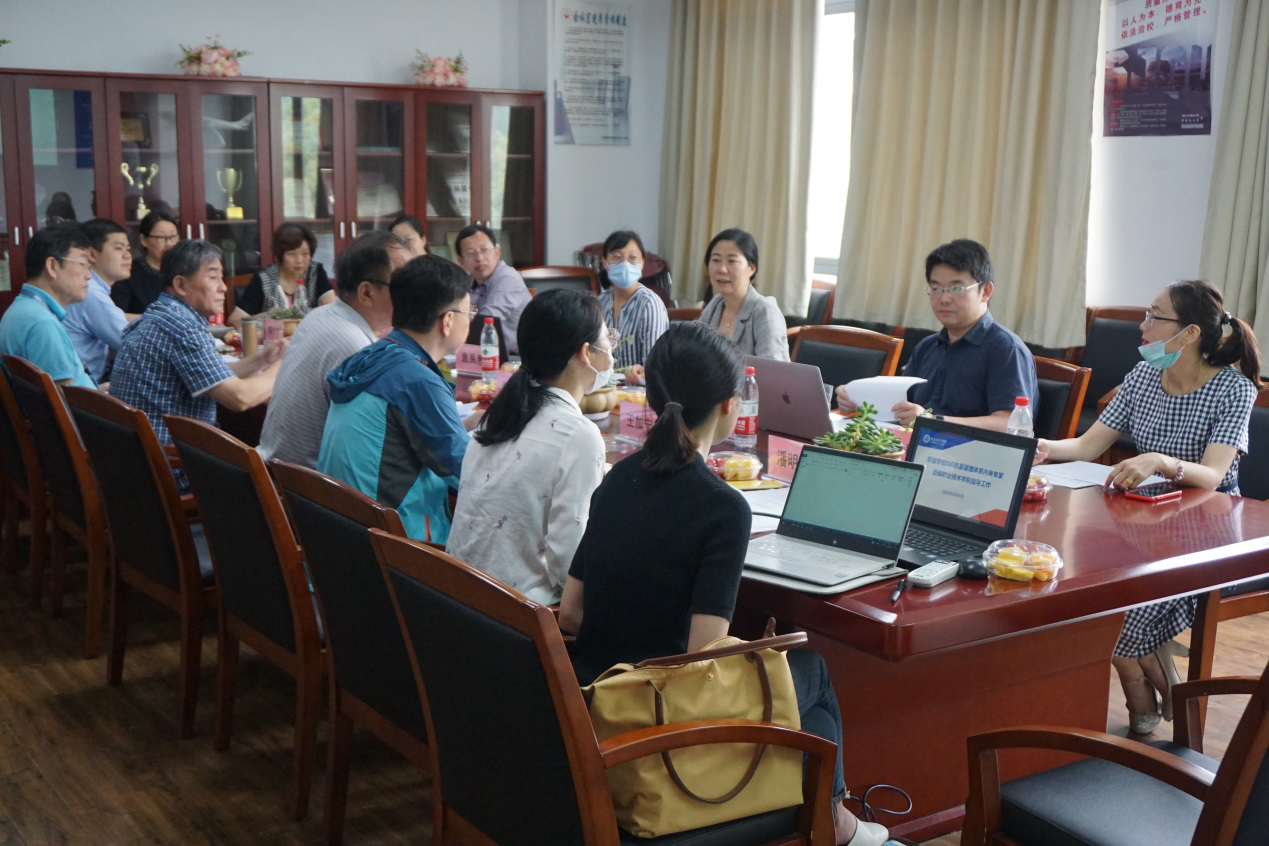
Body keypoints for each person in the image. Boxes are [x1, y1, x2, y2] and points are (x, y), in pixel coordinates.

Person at [559, 322, 891, 846]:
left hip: (598, 693)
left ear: (652, 398)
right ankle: (837, 823)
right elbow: (702, 657)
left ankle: (836, 823)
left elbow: (571, 614)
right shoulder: (722, 507)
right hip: (658, 713)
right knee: (812, 671)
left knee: (807, 700)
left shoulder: (618, 476)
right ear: (731, 406)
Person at [1036, 279, 1261, 734]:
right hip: (1142, 519)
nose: (1142, 326)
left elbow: (1213, 475)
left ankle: (1145, 695)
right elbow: (1086, 445)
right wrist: (1036, 446)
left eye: (1154, 317)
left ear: (1190, 333)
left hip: (1207, 530)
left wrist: (1161, 461)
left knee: (1116, 624)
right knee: (1089, 606)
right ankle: (1160, 687)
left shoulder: (1234, 390)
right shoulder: (1142, 377)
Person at [447, 290, 610, 604]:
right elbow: (568, 568)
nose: (611, 348)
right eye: (608, 339)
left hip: (461, 599)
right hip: (519, 614)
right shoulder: (579, 436)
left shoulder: (498, 415)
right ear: (586, 353)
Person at [318, 254, 480, 545]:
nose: (470, 319)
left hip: (338, 536)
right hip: (393, 549)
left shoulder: (373, 356)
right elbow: (469, 473)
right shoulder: (416, 380)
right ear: (448, 321)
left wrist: (466, 425)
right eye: (469, 312)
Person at [837, 238, 1036, 430]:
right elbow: (900, 407)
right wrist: (856, 399)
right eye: (936, 288)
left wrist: (933, 421)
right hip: (913, 445)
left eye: (956, 288)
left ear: (985, 291)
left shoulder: (1006, 349)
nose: (944, 298)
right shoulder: (927, 347)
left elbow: (1009, 424)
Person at [109, 240, 285, 453]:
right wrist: (284, 364)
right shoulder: (181, 326)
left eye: (221, 277)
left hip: (143, 455)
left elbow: (213, 373)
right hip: (173, 462)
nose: (223, 287)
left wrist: (263, 359)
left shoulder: (162, 314)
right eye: (213, 277)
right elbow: (240, 398)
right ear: (181, 285)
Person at [257, 230, 410, 468]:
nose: (414, 292)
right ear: (366, 292)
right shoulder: (355, 347)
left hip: (275, 470)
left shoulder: (320, 316)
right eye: (404, 284)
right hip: (310, 484)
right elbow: (380, 443)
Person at [0, 224, 97, 388]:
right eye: (82, 264)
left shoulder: (24, 309)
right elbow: (63, 398)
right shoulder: (42, 323)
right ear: (52, 266)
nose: (89, 276)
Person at [698, 228, 789, 361]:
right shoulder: (715, 304)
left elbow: (775, 370)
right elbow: (696, 351)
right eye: (716, 260)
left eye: (732, 261)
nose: (722, 269)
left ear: (752, 268)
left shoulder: (765, 312)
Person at [64, 219, 133, 385]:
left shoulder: (92, 288)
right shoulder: (91, 292)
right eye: (118, 248)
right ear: (92, 255)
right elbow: (132, 343)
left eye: (128, 249)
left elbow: (117, 317)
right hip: (85, 390)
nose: (127, 256)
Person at [227, 223, 334, 327]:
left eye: (305, 254)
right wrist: (265, 317)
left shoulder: (315, 272)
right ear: (280, 255)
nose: (299, 260)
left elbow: (333, 309)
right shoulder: (263, 279)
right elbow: (234, 320)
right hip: (274, 337)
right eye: (292, 254)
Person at [597, 229, 668, 385]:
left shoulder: (649, 304)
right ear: (605, 263)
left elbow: (655, 367)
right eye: (617, 257)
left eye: (633, 258)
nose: (625, 264)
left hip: (637, 393)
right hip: (604, 389)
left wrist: (640, 372)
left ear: (642, 263)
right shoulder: (600, 302)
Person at [455, 223, 532, 354]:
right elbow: (461, 313)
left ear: (497, 252)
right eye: (471, 253)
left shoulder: (508, 278)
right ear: (461, 262)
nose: (479, 258)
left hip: (517, 357)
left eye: (484, 250)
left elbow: (487, 319)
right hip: (485, 352)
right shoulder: (469, 280)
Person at [111, 210, 179, 316]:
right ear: (144, 240)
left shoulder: (184, 270)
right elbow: (117, 315)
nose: (169, 244)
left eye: (173, 237)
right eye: (161, 238)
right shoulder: (128, 273)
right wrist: (158, 319)